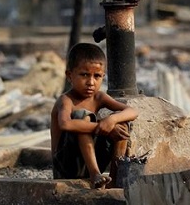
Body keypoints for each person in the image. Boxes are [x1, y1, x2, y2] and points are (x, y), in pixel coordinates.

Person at [50, 43, 138, 189]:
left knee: (121, 125)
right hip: (66, 166)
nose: (91, 82)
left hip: (89, 159)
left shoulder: (99, 97)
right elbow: (65, 124)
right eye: (84, 75)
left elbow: (132, 111)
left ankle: (114, 179)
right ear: (69, 75)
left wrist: (112, 120)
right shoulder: (66, 100)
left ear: (103, 76)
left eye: (97, 76)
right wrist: (101, 126)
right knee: (82, 117)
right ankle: (95, 174)